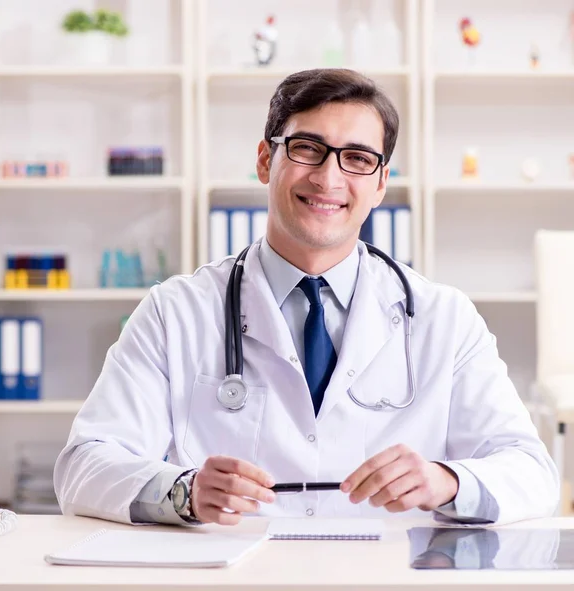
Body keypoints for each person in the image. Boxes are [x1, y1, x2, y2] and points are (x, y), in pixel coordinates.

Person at [54, 68, 558, 527]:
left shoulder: (443, 318)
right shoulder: (176, 312)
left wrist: (446, 482)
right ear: (264, 159)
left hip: (383, 580)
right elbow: (84, 464)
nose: (328, 177)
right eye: (307, 148)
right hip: (232, 579)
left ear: (381, 183)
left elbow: (531, 471)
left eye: (357, 158)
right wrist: (183, 491)